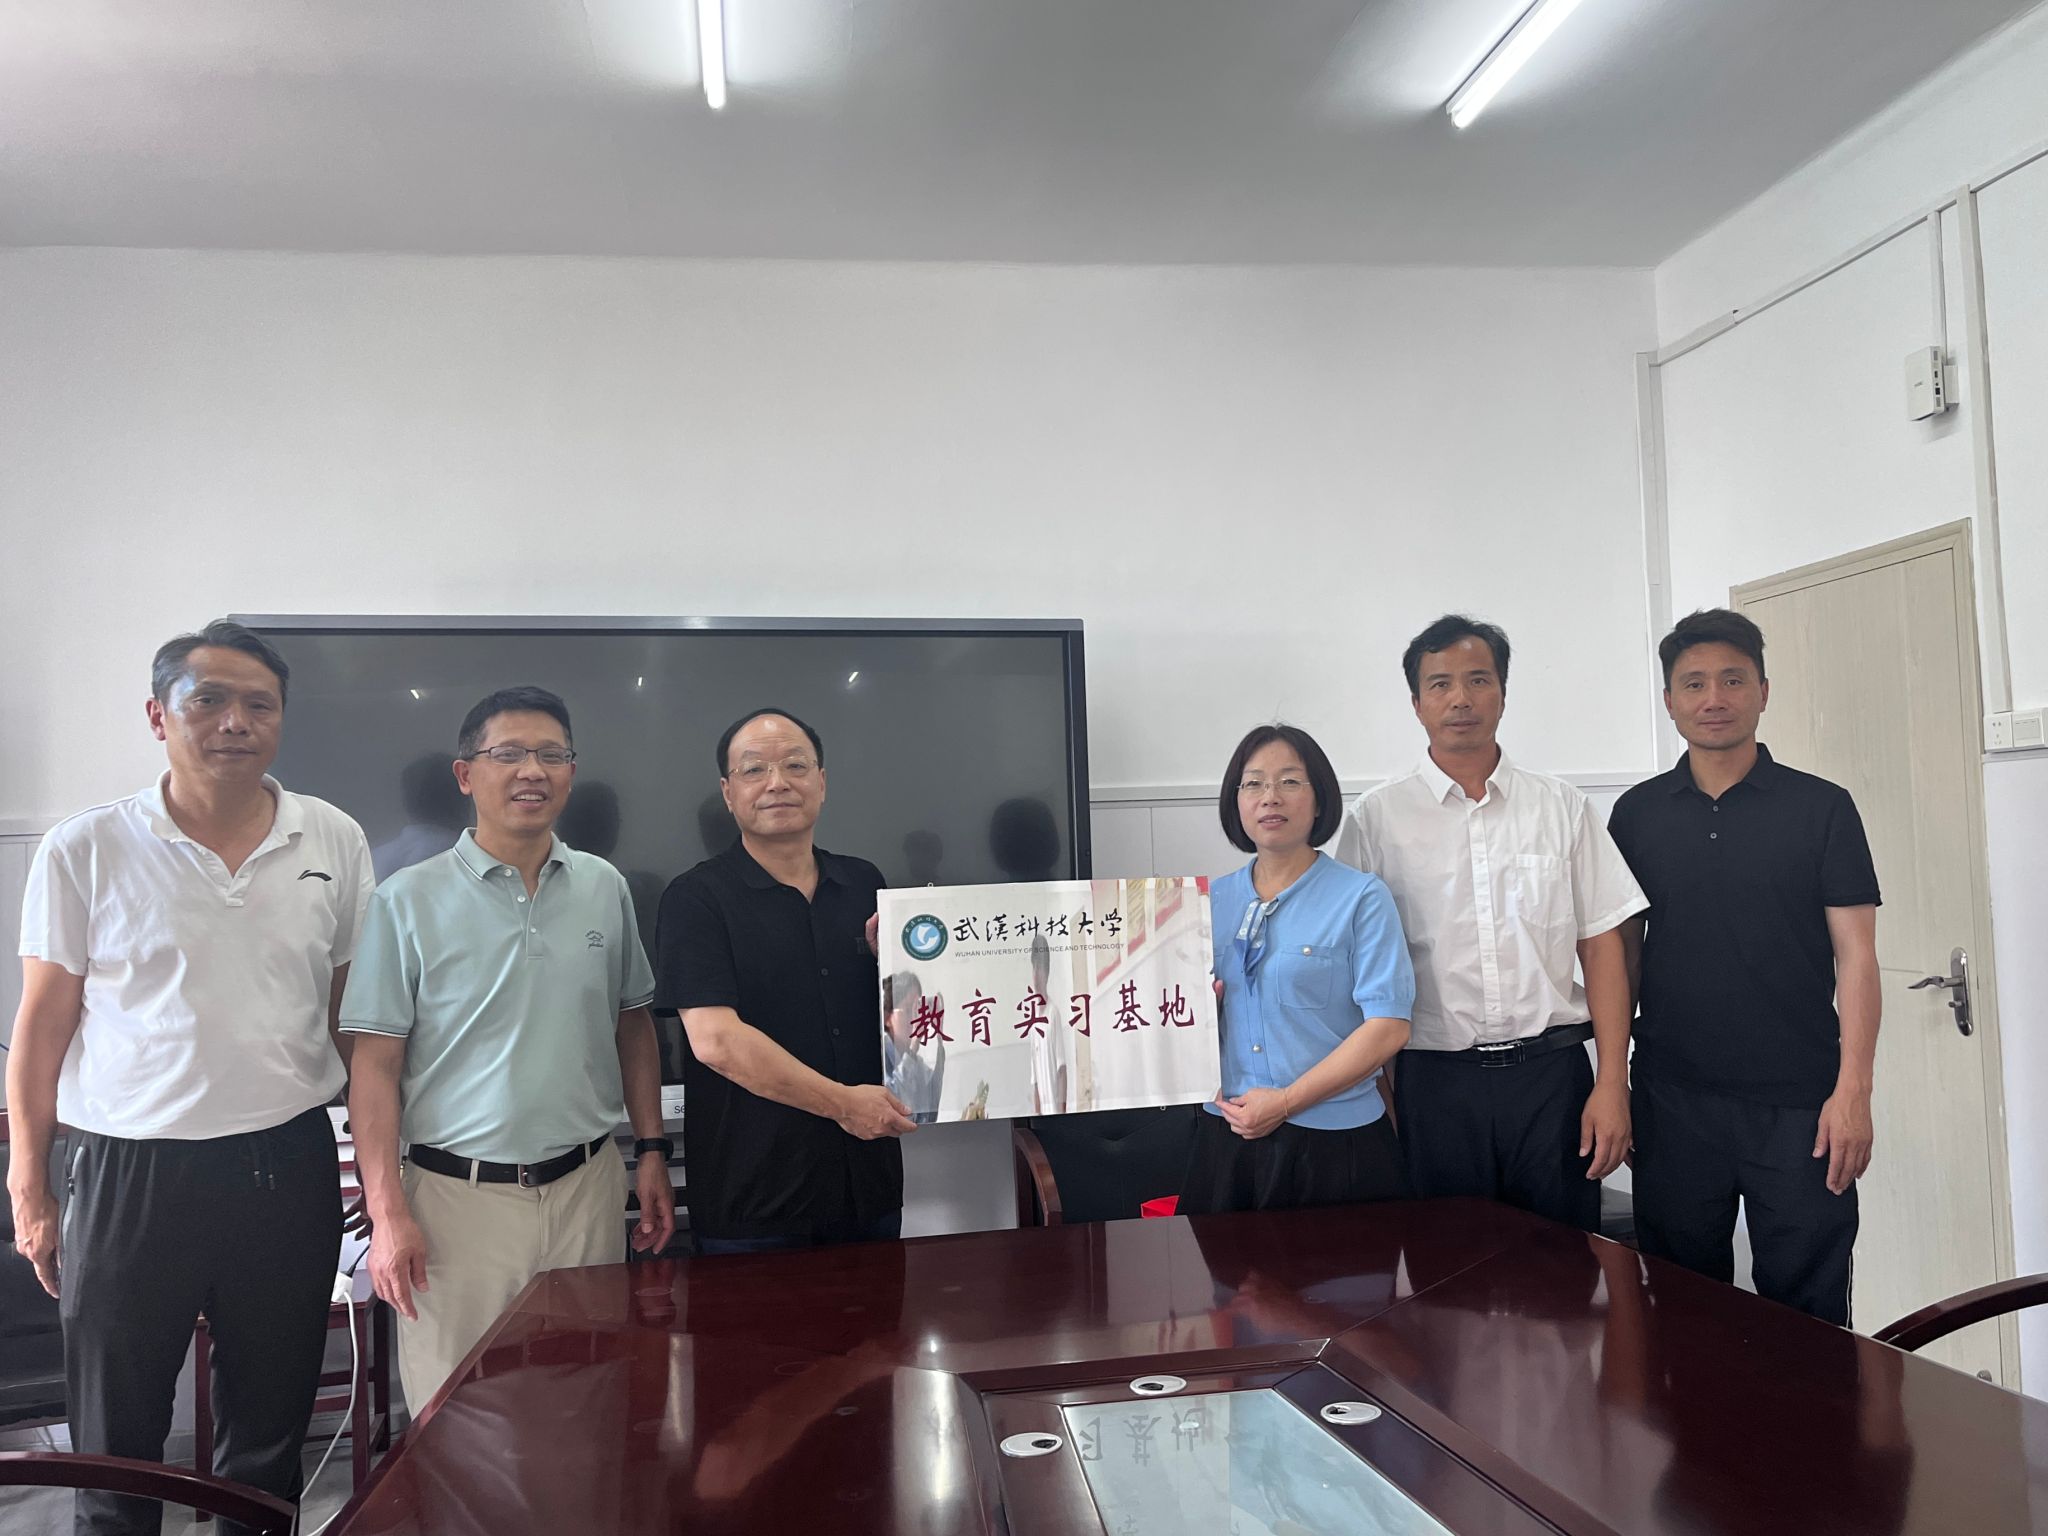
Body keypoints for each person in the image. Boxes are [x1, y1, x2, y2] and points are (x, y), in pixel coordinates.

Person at [7, 620, 373, 1536]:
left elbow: (351, 1016)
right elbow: (41, 1028)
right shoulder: (86, 845)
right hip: (130, 1171)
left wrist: (378, 1162)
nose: (235, 722)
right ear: (158, 715)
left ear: (281, 719)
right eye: (208, 699)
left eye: (259, 704)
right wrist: (29, 1185)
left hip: (286, 1164)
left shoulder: (331, 836)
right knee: (116, 1441)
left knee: (270, 1431)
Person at [341, 686, 673, 1413]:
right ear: (466, 775)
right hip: (455, 1203)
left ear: (571, 773)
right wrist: (388, 1211)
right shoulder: (407, 899)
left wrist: (651, 1148)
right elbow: (375, 1064)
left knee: (586, 1403)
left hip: (586, 1190)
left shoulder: (604, 886)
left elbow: (633, 1023)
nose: (532, 771)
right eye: (509, 754)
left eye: (552, 755)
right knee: (458, 1419)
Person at [1607, 608, 1880, 1324]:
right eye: (1693, 683)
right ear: (1670, 701)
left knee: (1809, 1312)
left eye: (1733, 680)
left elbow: (1858, 956)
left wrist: (1853, 1091)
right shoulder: (1635, 816)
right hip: (1671, 1100)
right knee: (1680, 1308)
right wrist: (1614, 1083)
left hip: (1801, 1106)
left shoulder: (1822, 809)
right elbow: (1619, 959)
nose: (1714, 698)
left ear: (1763, 691)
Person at [1337, 615, 1645, 1231]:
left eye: (1478, 680)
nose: (1461, 698)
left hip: (1551, 1080)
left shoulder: (1560, 806)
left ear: (1503, 693)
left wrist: (1614, 1081)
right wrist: (1379, 1096)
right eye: (1441, 684)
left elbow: (1602, 946)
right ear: (1417, 704)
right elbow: (1350, 969)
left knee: (1563, 1266)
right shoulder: (1375, 820)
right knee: (1449, 1268)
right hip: (1434, 1085)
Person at [654, 708, 912, 1255]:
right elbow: (716, 1042)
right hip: (754, 1200)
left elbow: (906, 1022)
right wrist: (844, 1105)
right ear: (728, 793)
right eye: (754, 769)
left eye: (796, 765)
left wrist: (895, 970)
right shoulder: (695, 899)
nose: (777, 783)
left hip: (866, 1185)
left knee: (885, 1313)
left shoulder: (864, 882)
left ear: (822, 782)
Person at [1178, 724, 1415, 1215]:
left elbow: (1389, 1027)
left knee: (1342, 1268)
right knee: (1220, 1268)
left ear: (1319, 799)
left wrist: (1285, 1102)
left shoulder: (1361, 897)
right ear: (1236, 801)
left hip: (1335, 1143)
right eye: (1254, 783)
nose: (1271, 797)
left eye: (1289, 781)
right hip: (1227, 1137)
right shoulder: (1205, 903)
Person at [882, 971, 946, 1124]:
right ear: (887, 1017)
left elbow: (931, 1112)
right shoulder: (879, 1055)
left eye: (917, 1009)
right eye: (907, 1010)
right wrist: (913, 1046)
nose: (915, 1017)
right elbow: (892, 1103)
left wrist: (939, 1036)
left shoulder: (918, 1064)